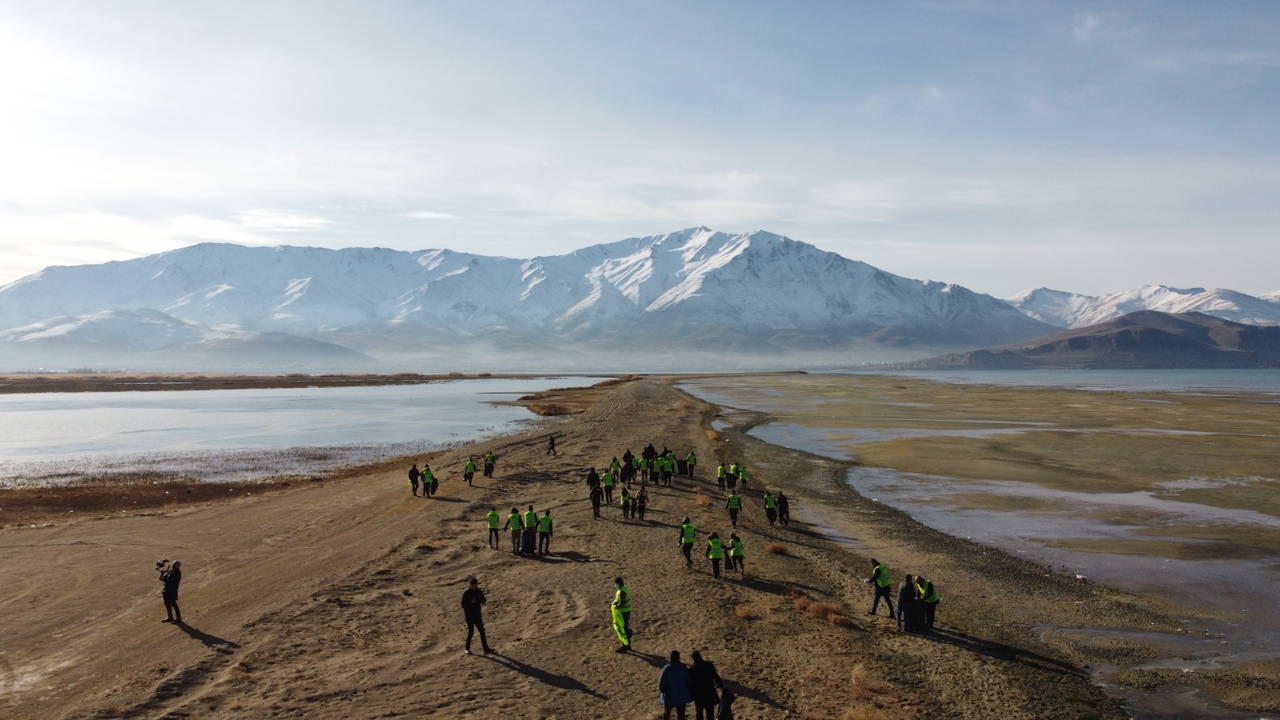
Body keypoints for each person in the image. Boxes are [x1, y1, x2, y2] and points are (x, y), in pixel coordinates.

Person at [461, 576, 493, 655]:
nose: (474, 586)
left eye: (475, 584)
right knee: (471, 632)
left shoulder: (478, 591)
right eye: (472, 584)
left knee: (482, 631)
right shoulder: (466, 593)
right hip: (469, 616)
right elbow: (463, 604)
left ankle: (486, 649)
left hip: (477, 615)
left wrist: (483, 601)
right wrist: (471, 603)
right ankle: (467, 649)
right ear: (470, 585)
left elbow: (483, 599)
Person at [689, 650, 724, 720]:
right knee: (710, 713)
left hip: (698, 695)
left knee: (699, 713)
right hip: (709, 692)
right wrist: (721, 686)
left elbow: (690, 684)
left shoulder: (692, 669)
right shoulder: (708, 665)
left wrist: (691, 694)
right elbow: (715, 676)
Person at [658, 651, 693, 720]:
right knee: (681, 714)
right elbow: (689, 681)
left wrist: (663, 691)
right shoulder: (683, 668)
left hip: (669, 695)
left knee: (667, 713)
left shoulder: (667, 669)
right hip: (681, 695)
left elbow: (661, 683)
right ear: (678, 658)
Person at [612, 577, 632, 653]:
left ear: (619, 584)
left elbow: (621, 604)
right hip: (627, 612)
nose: (615, 586)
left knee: (623, 630)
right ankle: (628, 645)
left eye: (616, 584)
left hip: (623, 613)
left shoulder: (622, 592)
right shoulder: (624, 588)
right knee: (625, 628)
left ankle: (625, 646)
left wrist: (614, 607)